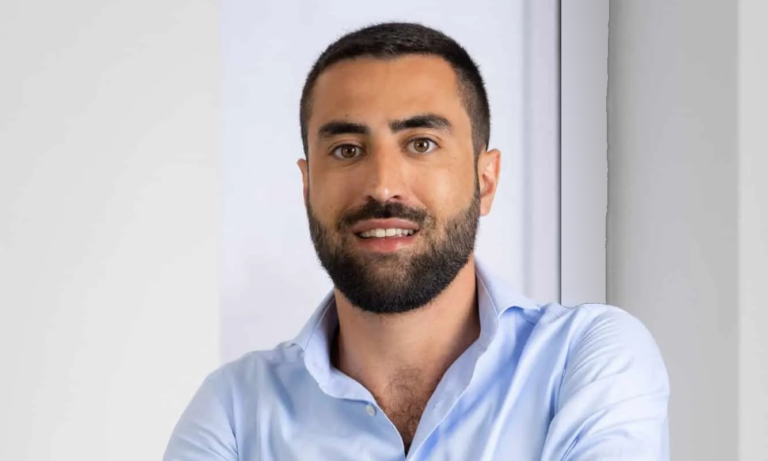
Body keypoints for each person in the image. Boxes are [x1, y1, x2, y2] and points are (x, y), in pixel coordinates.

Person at [163, 22, 669, 460]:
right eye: (347, 149)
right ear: (307, 185)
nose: (383, 186)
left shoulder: (585, 358)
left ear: (486, 181)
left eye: (421, 144)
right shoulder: (234, 411)